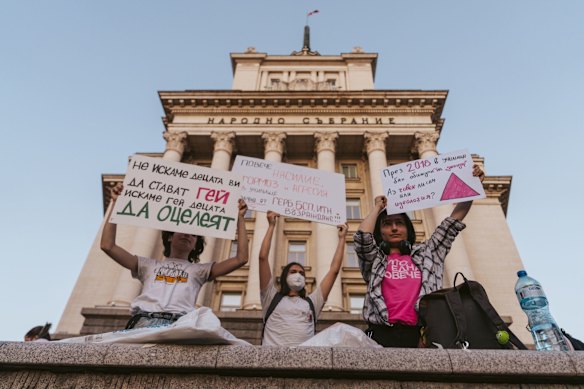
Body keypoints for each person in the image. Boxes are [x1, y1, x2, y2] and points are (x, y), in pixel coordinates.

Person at [354, 164, 485, 347]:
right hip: (380, 333)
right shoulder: (375, 260)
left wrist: (473, 185)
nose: (393, 228)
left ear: (408, 229)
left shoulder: (428, 253)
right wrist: (377, 207)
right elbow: (362, 239)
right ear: (380, 231)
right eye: (387, 224)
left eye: (399, 223)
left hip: (421, 333)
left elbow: (452, 223)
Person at [101, 183, 249, 329]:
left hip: (179, 325)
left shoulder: (200, 270)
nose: (187, 235)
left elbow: (241, 258)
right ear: (170, 237)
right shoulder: (147, 265)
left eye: (194, 235)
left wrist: (240, 218)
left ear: (195, 245)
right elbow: (108, 246)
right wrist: (115, 202)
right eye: (182, 230)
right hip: (144, 322)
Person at [259, 211, 348, 346]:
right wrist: (271, 226)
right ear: (284, 277)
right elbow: (263, 258)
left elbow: (334, 271)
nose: (298, 275)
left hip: (303, 363)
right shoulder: (270, 297)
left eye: (301, 273)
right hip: (271, 362)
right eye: (293, 271)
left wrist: (342, 239)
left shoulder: (312, 303)